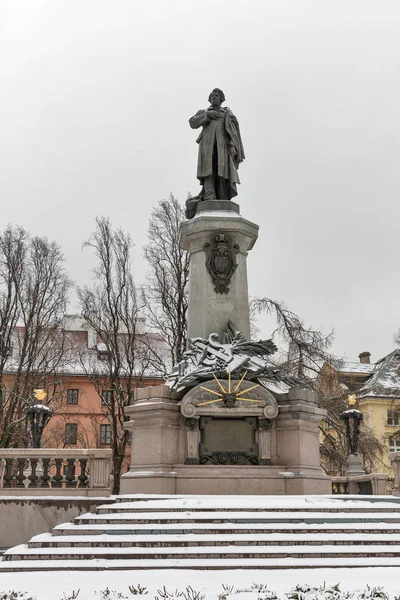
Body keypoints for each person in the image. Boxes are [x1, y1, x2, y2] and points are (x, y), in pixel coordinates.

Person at [186, 88, 245, 218]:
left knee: (222, 170)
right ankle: (209, 194)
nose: (214, 97)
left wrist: (233, 146)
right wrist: (207, 116)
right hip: (207, 145)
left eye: (217, 95)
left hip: (222, 145)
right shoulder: (204, 112)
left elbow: (234, 132)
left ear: (222, 98)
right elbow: (192, 122)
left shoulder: (227, 113)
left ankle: (223, 196)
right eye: (212, 95)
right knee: (208, 170)